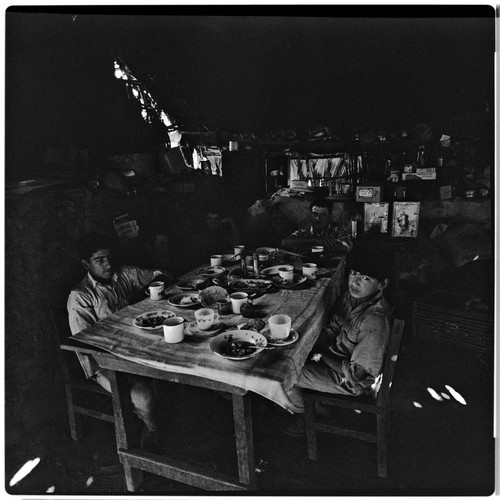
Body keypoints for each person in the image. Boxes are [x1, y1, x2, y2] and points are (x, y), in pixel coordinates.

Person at [67, 232, 173, 451]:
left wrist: (137, 296)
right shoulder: (81, 296)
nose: (108, 264)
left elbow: (163, 275)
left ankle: (159, 415)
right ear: (86, 263)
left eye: (109, 257)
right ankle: (153, 432)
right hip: (104, 363)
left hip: (135, 349)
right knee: (142, 396)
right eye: (100, 260)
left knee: (169, 363)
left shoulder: (123, 274)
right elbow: (86, 345)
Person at [285, 241, 393, 435]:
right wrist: (305, 349)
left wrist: (319, 355)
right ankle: (308, 405)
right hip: (335, 359)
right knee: (289, 354)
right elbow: (333, 327)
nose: (355, 282)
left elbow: (356, 376)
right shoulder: (353, 297)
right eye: (353, 273)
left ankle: (309, 413)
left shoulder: (374, 321)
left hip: (350, 382)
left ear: (383, 284)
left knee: (285, 375)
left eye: (365, 278)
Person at [280, 199, 353, 254]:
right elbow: (285, 243)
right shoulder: (305, 230)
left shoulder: (337, 230)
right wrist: (316, 240)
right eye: (315, 214)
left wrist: (307, 243)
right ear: (310, 214)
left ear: (329, 216)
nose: (317, 218)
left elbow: (347, 246)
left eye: (323, 215)